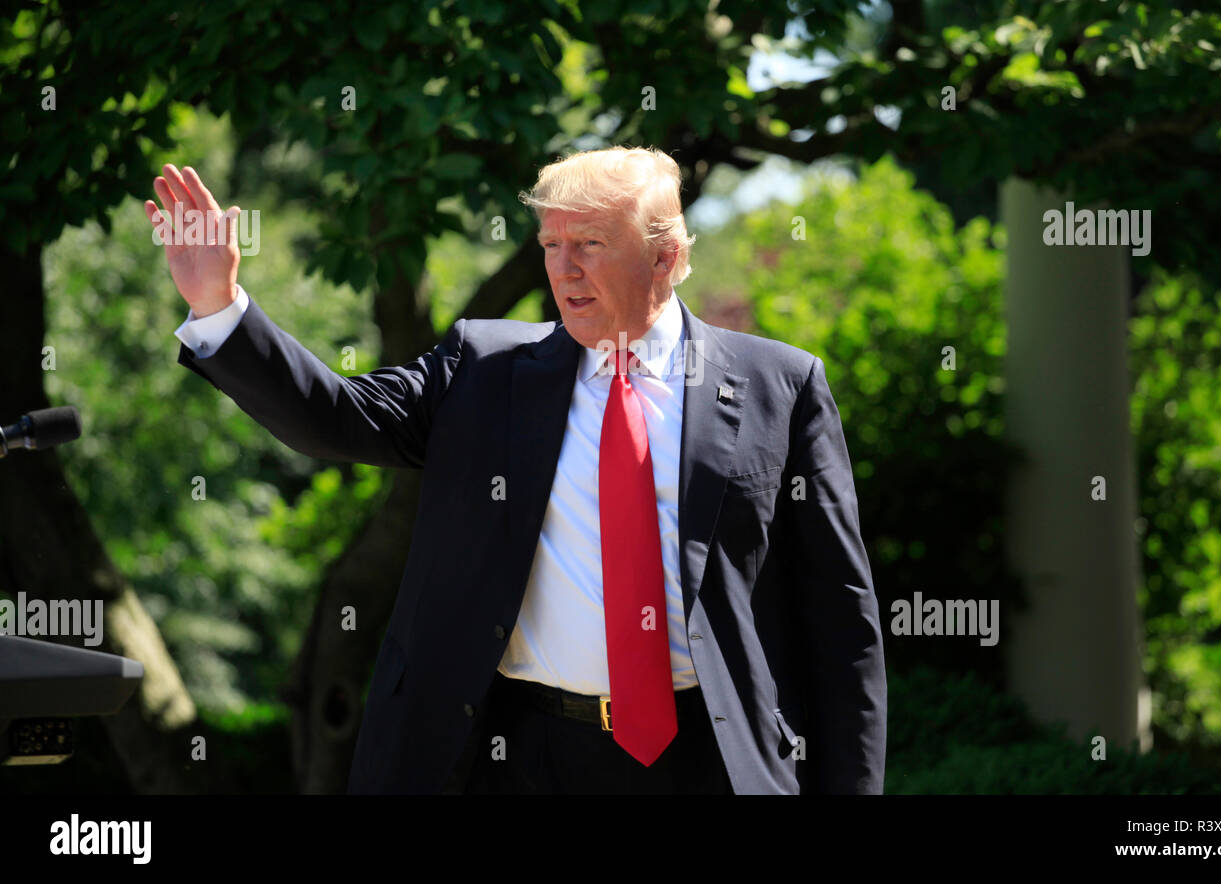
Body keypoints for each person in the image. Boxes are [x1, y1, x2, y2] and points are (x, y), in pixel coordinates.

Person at [145, 147, 886, 794]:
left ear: (668, 257)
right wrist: (220, 307)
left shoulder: (778, 387)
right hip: (518, 753)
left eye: (591, 243)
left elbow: (840, 626)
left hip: (708, 759)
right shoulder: (484, 366)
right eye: (551, 244)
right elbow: (336, 417)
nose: (564, 269)